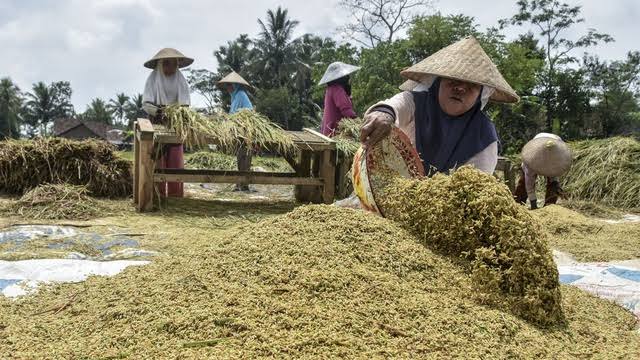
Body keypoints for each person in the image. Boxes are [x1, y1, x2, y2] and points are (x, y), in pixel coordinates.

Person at [359, 37, 519, 175]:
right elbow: (393, 107)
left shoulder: (484, 135)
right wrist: (384, 115)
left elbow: (475, 187)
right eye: (453, 80)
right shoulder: (416, 102)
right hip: (395, 184)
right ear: (438, 82)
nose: (460, 88)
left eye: (472, 85)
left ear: (480, 95)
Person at [142, 48, 193, 198]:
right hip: (157, 122)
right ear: (160, 65)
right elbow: (146, 104)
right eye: (166, 64)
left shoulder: (180, 80)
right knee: (157, 159)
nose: (169, 68)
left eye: (172, 64)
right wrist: (160, 111)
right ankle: (158, 195)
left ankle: (175, 195)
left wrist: (177, 113)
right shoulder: (152, 79)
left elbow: (185, 103)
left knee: (175, 160)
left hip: (175, 123)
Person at [217, 71, 254, 191]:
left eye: (230, 85)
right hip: (239, 130)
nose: (228, 88)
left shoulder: (240, 95)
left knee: (245, 156)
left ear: (235, 85)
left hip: (245, 130)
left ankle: (244, 183)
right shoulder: (235, 96)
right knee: (240, 155)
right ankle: (240, 182)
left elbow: (236, 115)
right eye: (227, 86)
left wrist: (227, 122)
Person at [514, 133, 572, 209]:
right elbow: (529, 184)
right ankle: (518, 205)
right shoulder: (531, 160)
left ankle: (550, 207)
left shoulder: (557, 153)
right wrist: (533, 203)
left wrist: (555, 184)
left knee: (553, 186)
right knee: (523, 183)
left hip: (554, 149)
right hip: (536, 151)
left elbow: (555, 173)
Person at [318, 62, 361, 137]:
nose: (348, 77)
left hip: (327, 130)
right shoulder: (337, 89)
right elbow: (345, 109)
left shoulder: (330, 89)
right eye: (346, 76)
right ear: (343, 78)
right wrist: (358, 122)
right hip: (335, 132)